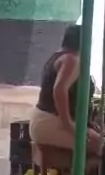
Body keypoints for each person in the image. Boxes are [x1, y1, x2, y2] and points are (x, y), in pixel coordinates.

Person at [30, 23, 101, 159]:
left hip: (44, 122)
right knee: (99, 145)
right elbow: (59, 89)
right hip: (53, 123)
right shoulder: (72, 60)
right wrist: (68, 124)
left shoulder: (59, 56)